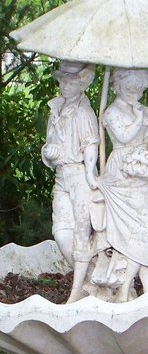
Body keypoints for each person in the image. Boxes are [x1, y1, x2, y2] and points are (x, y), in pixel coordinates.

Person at [95, 68, 148, 302]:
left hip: (141, 173)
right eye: (130, 89)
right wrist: (138, 119)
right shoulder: (111, 112)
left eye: (139, 90)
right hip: (121, 174)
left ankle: (143, 289)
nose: (135, 94)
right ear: (117, 86)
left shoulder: (146, 112)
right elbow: (124, 137)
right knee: (128, 236)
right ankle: (129, 288)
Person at [41, 61, 99, 303]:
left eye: (70, 82)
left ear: (82, 84)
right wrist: (49, 152)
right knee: (61, 232)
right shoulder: (55, 110)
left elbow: (91, 144)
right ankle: (93, 280)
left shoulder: (84, 113)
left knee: (82, 232)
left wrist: (90, 174)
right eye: (62, 81)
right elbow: (49, 144)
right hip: (61, 175)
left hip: (79, 175)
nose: (64, 86)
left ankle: (79, 291)